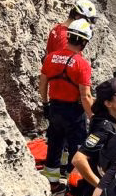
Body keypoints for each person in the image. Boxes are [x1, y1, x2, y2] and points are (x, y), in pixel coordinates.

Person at [39, 19, 94, 184]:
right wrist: (93, 117)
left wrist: (45, 104)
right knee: (76, 148)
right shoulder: (82, 64)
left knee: (55, 144)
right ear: (84, 41)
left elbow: (42, 85)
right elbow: (86, 96)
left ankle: (52, 182)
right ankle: (73, 186)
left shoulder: (50, 58)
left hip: (55, 108)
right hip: (73, 112)